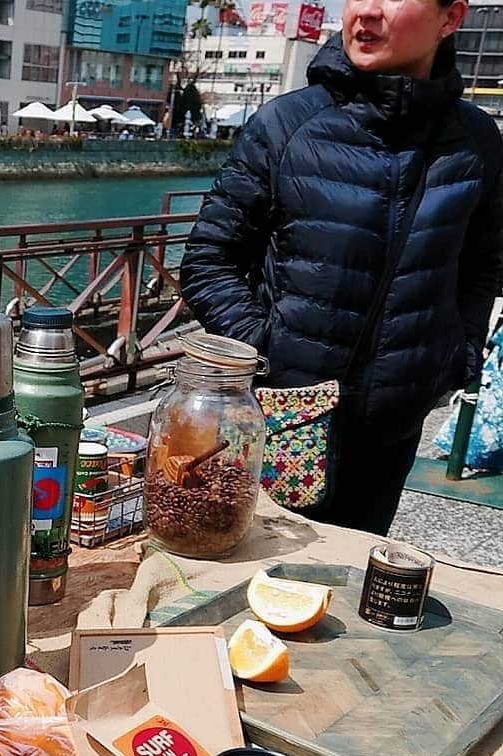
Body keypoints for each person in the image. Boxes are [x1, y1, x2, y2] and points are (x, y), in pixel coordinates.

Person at [178, 0, 503, 534]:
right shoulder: (286, 125)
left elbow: (480, 266)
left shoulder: (477, 142)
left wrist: (454, 358)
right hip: (284, 417)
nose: (366, 12)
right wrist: (271, 355)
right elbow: (209, 260)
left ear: (451, 18)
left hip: (395, 423)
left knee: (350, 593)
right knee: (259, 576)